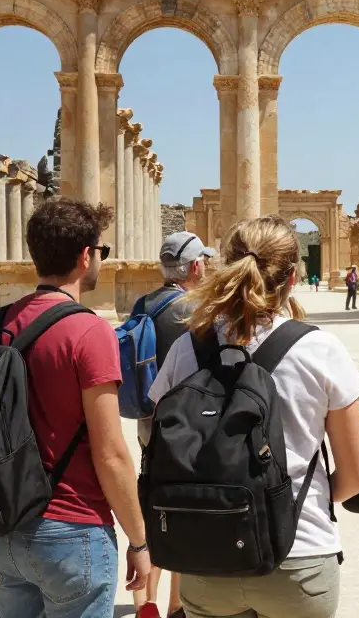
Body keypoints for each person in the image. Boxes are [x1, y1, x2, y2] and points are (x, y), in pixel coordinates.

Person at [147, 215, 359, 618]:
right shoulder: (321, 350)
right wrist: (284, 504)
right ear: (293, 277)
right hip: (299, 555)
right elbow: (356, 475)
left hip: (206, 552)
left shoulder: (188, 348)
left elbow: (160, 444)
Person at [0, 199, 150, 618]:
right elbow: (110, 453)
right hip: (73, 525)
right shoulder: (89, 331)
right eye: (102, 252)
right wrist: (139, 540)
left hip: (6, 527)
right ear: (86, 255)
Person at [132, 231, 214, 618]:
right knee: (183, 516)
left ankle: (145, 602)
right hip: (188, 429)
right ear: (196, 266)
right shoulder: (197, 308)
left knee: (152, 508)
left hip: (148, 425)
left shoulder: (142, 303)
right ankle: (176, 605)